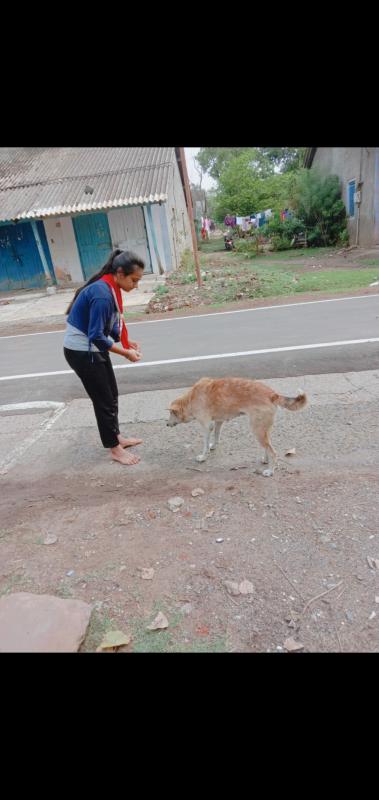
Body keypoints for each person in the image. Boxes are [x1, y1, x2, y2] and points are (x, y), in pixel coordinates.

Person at [64, 249, 145, 466]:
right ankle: (115, 449)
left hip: (92, 348)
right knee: (103, 400)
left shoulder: (110, 286)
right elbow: (96, 335)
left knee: (111, 395)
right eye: (134, 280)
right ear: (119, 273)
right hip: (82, 352)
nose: (135, 286)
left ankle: (116, 437)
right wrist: (124, 352)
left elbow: (107, 324)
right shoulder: (102, 293)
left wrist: (127, 341)